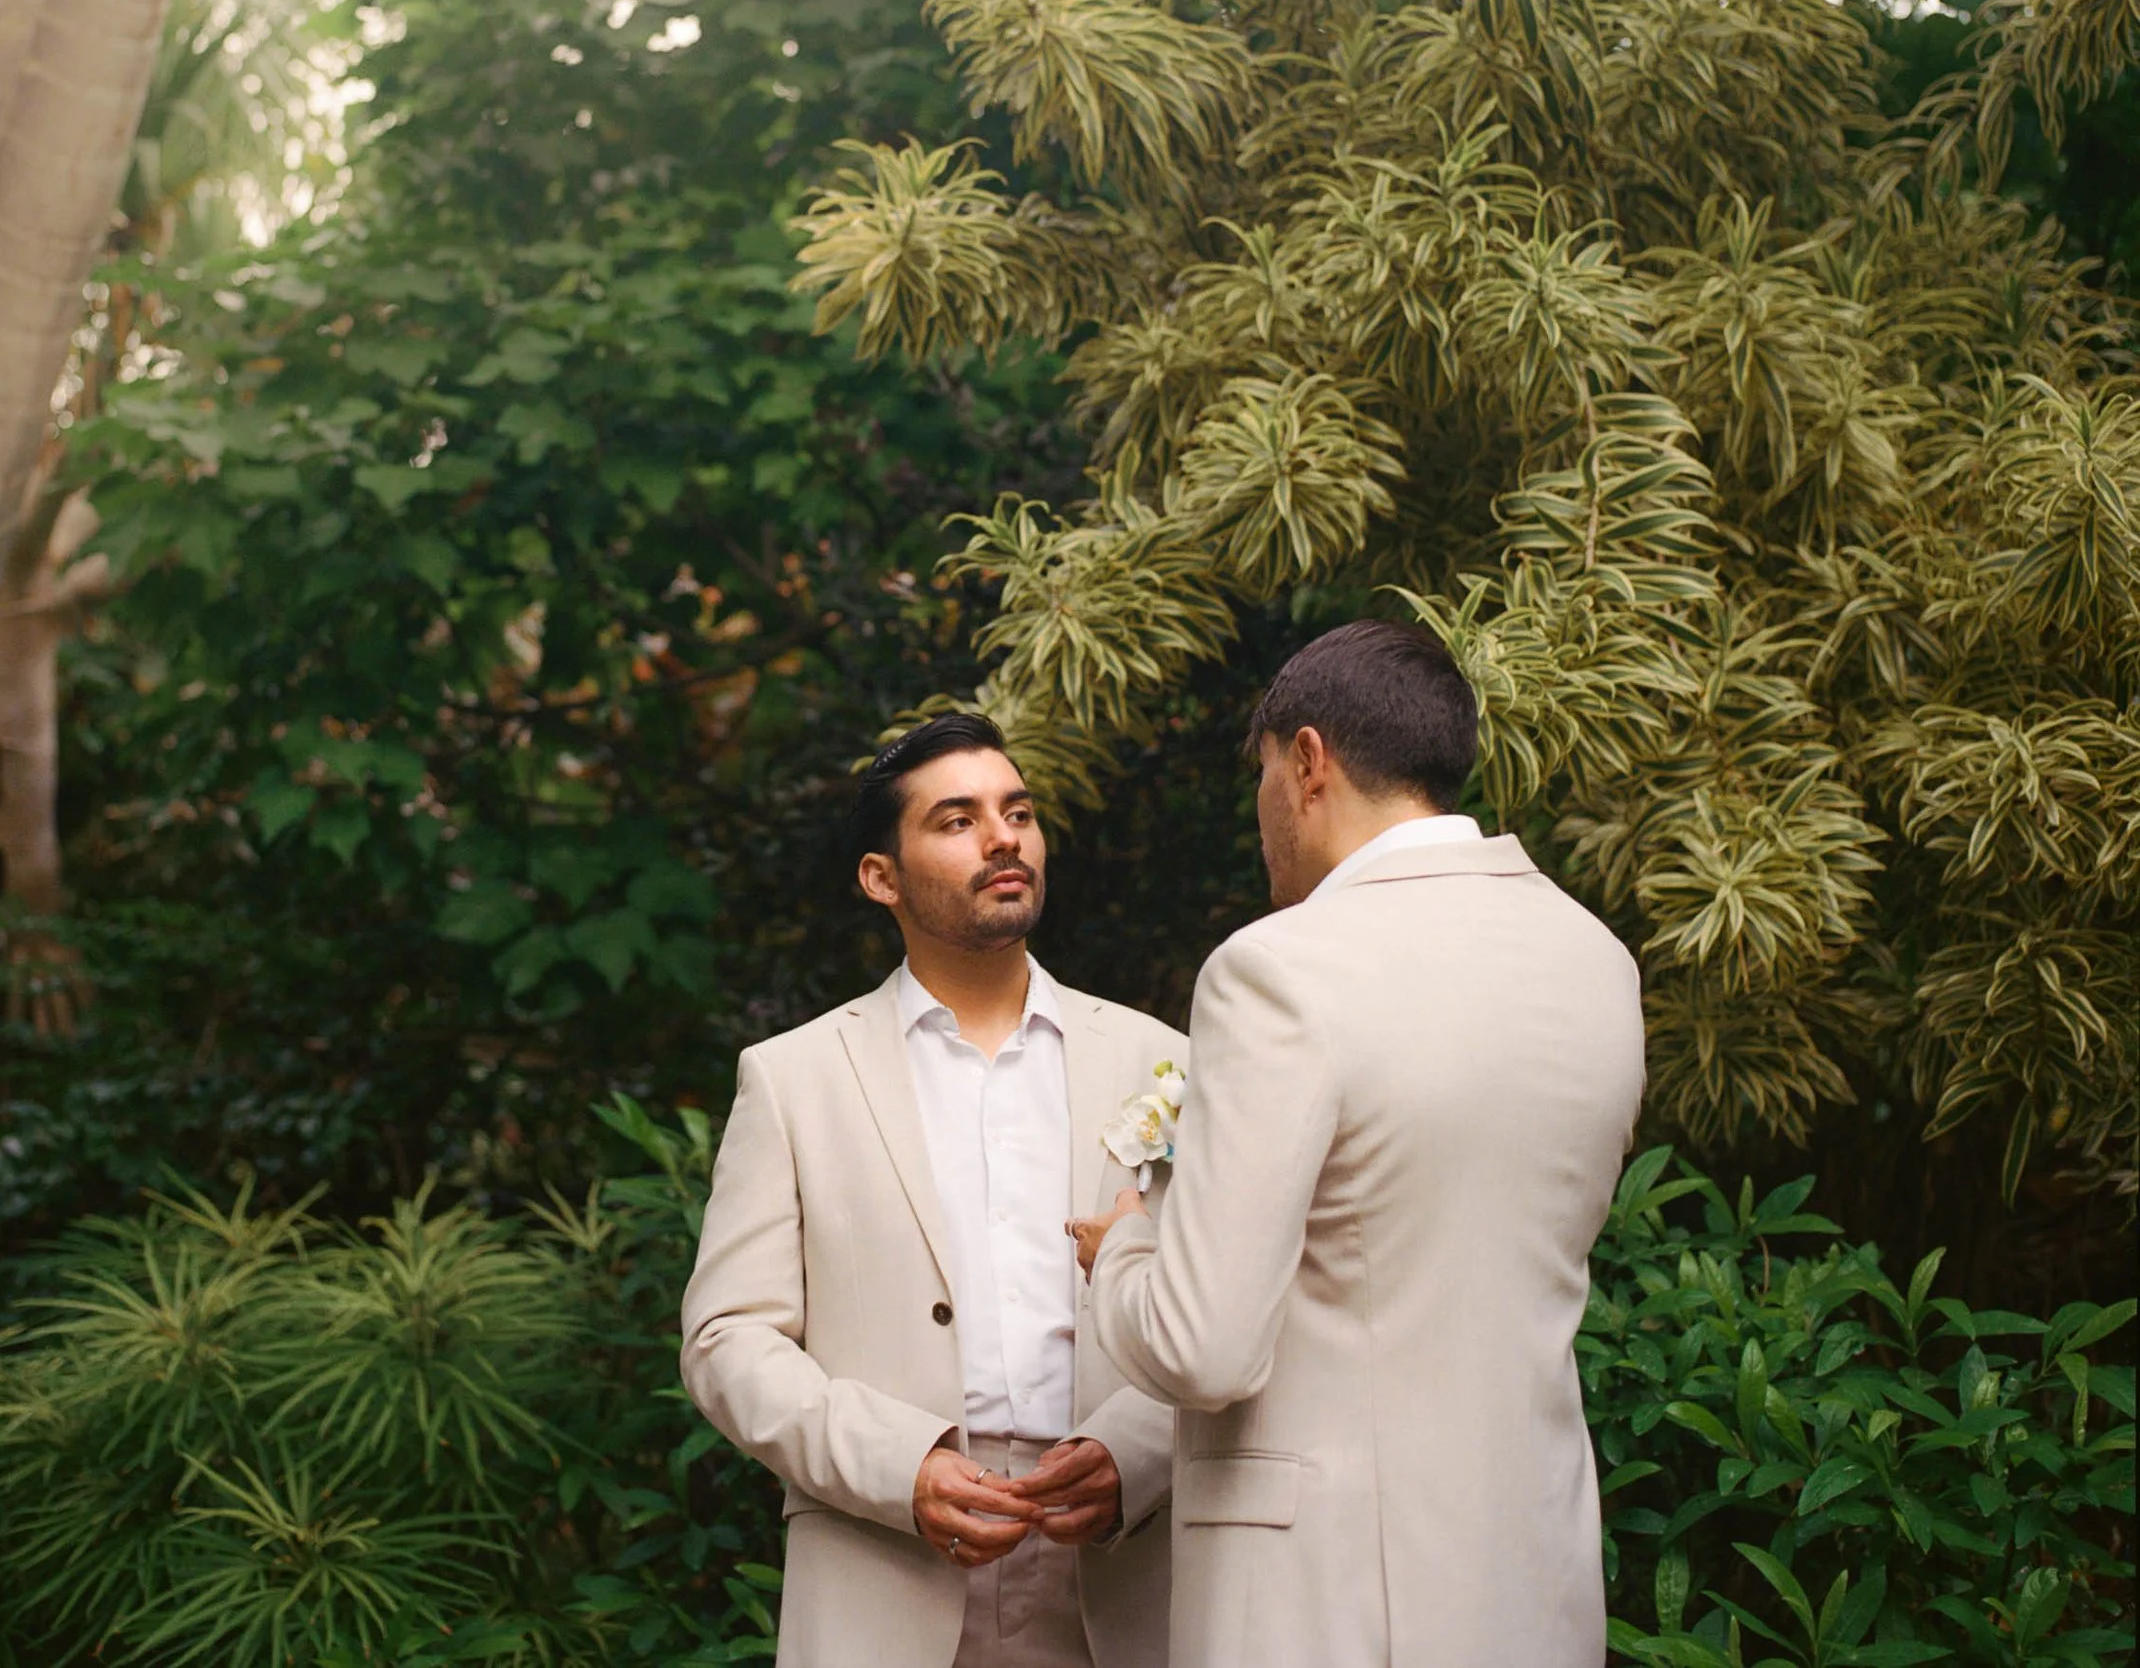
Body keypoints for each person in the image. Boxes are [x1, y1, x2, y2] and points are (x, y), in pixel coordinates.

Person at [1071, 620, 1644, 1668]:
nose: (1260, 817)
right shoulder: (1595, 959)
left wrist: (1124, 1248)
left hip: (1324, 1602)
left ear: (1305, 762)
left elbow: (1204, 1345)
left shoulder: (1279, 970)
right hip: (1532, 1582)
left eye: (1259, 779)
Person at [682, 712, 1182, 1668]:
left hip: (1120, 1573)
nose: (1004, 837)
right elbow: (727, 1338)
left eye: (1018, 812)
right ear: (882, 877)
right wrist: (897, 1465)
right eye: (956, 821)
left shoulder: (1162, 1059)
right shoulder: (795, 1078)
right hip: (886, 1566)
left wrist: (1138, 1453)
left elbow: (1231, 1306)